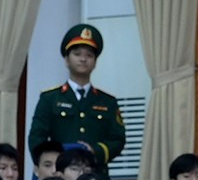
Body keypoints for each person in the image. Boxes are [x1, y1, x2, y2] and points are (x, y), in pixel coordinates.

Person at [26, 24, 126, 165]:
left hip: (95, 174)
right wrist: (52, 164)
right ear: (67, 60)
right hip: (59, 174)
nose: (83, 59)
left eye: (89, 55)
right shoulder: (50, 98)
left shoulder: (108, 102)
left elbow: (118, 139)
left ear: (95, 62)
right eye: (77, 54)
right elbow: (36, 138)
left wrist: (96, 151)